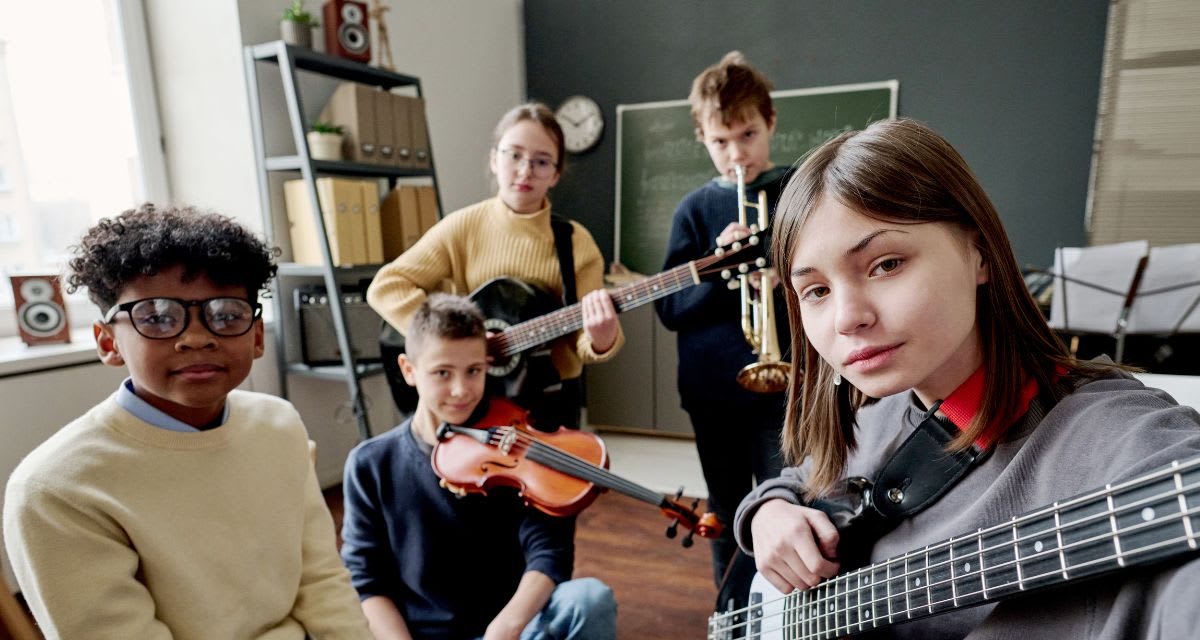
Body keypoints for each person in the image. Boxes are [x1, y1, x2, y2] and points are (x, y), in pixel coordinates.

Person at [733, 118, 1200, 638]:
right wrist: (767, 512)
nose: (846, 318)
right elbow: (799, 478)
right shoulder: (883, 415)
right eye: (816, 291)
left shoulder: (1109, 433)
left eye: (886, 264)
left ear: (978, 253)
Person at [2, 204, 371, 639]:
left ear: (255, 337)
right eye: (157, 317)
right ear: (108, 342)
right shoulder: (58, 489)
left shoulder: (278, 424)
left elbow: (322, 580)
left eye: (226, 314)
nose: (196, 337)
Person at [340, 293, 617, 640]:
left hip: (510, 629)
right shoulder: (370, 464)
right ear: (408, 370)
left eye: (473, 371)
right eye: (442, 372)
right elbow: (367, 581)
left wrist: (506, 627)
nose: (460, 390)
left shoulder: (514, 447)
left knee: (590, 599)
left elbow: (549, 551)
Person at [367, 102, 623, 431]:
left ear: (556, 174)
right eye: (513, 155)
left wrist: (601, 339)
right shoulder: (461, 227)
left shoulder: (575, 242)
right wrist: (451, 337)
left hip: (547, 405)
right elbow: (386, 286)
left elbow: (583, 345)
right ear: (493, 158)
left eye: (541, 161)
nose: (525, 170)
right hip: (473, 402)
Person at [654, 50, 790, 591]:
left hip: (787, 390)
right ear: (702, 139)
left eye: (749, 135)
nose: (737, 155)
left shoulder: (797, 189)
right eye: (720, 141)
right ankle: (732, 616)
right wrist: (715, 266)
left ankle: (787, 615)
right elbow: (670, 309)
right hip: (712, 393)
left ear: (771, 123)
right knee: (729, 512)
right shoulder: (693, 211)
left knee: (788, 506)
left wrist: (789, 275)